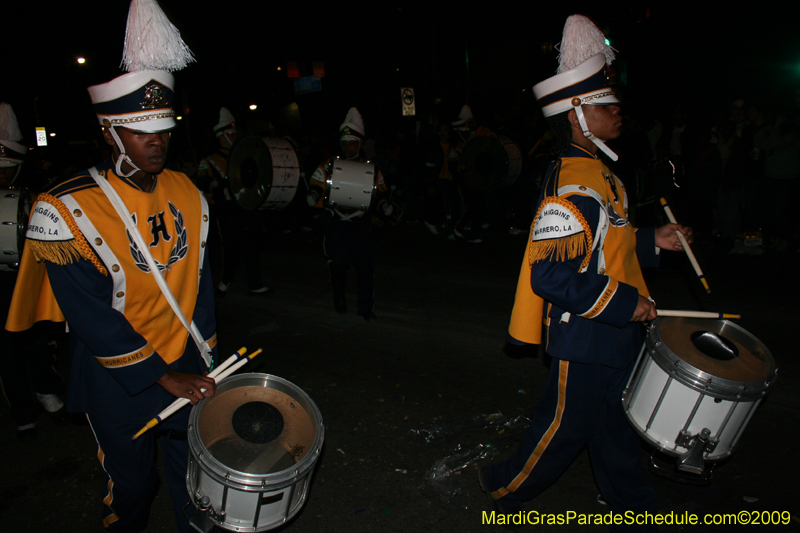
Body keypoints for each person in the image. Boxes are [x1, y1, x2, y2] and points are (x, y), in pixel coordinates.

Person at [6, 2, 218, 531]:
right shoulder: (64, 208)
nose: (157, 142)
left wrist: (208, 353)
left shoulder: (186, 191)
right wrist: (160, 374)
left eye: (164, 130)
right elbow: (91, 314)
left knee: (197, 479)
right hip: (119, 376)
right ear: (109, 131)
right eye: (141, 130)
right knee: (132, 488)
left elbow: (199, 283)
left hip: (185, 359)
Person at [478, 15, 692, 531]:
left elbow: (605, 246)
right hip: (587, 334)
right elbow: (549, 277)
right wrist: (625, 303)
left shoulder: (601, 173)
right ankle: (500, 489)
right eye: (606, 106)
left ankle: (632, 505)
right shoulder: (573, 184)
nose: (618, 113)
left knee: (616, 424)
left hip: (612, 332)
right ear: (577, 115)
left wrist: (651, 240)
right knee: (562, 429)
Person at [0, 102, 67, 438]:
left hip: (24, 274)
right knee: (6, 348)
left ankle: (47, 389)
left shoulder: (31, 190)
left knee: (38, 336)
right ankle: (22, 409)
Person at [307, 107, 391, 320]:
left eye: (352, 143)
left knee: (365, 268)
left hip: (359, 224)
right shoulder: (329, 164)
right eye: (344, 143)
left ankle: (365, 308)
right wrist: (314, 194)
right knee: (338, 265)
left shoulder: (372, 169)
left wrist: (383, 206)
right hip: (335, 223)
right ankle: (339, 296)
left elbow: (380, 193)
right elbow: (317, 184)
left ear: (360, 144)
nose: (347, 147)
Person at [197, 107, 268, 296]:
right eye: (230, 134)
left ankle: (255, 283)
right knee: (231, 246)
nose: (234, 137)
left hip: (248, 207)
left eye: (235, 133)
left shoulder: (247, 157)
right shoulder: (209, 160)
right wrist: (215, 184)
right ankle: (226, 279)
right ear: (220, 136)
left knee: (253, 245)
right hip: (227, 210)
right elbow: (202, 184)